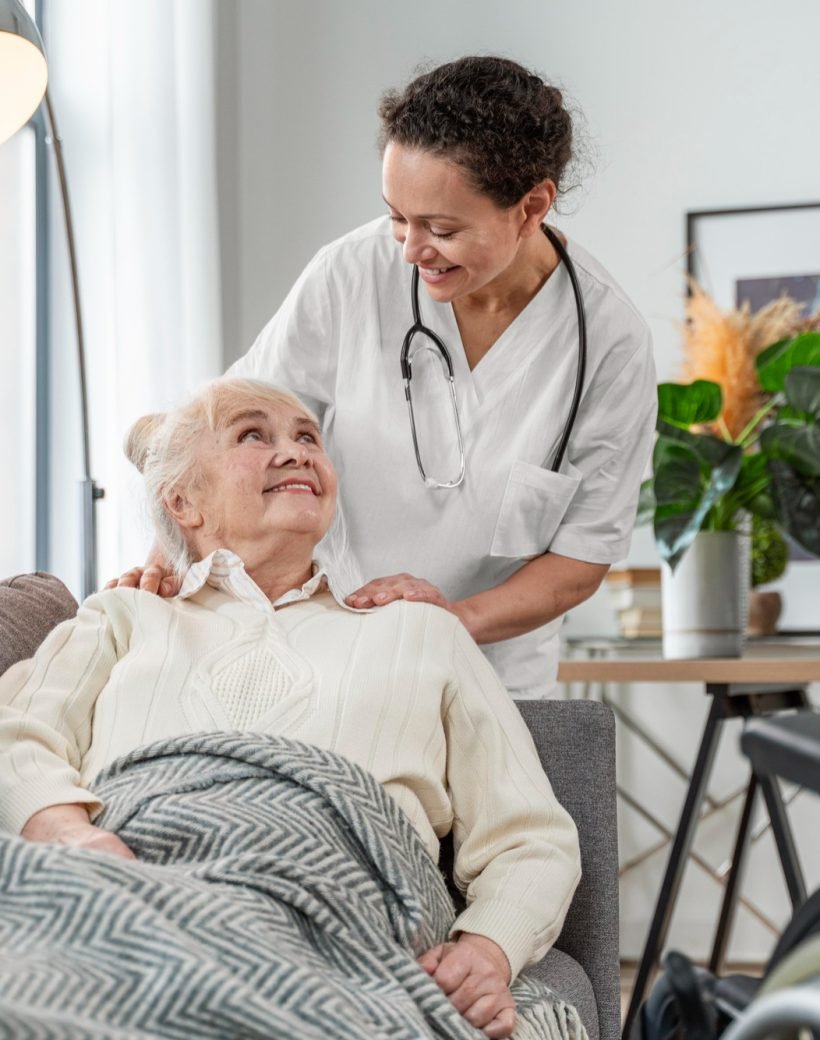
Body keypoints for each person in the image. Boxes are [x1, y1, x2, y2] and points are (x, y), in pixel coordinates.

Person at [0, 379, 581, 1040]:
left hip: (344, 898)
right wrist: (68, 832)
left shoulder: (420, 630)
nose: (296, 452)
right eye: (255, 435)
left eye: (308, 438)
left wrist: (487, 950)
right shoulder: (124, 615)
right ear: (183, 500)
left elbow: (531, 836)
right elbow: (16, 737)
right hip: (131, 879)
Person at [121, 55, 657, 699]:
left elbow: (578, 562)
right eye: (398, 216)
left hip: (490, 680)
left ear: (532, 205)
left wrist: (447, 622)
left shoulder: (609, 343)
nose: (409, 250)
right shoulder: (352, 273)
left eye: (442, 228)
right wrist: (169, 552)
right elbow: (223, 430)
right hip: (319, 653)